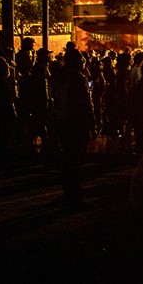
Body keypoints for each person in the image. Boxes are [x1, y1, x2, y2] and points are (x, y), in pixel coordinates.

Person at [51, 42, 94, 205]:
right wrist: (92, 123)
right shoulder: (78, 78)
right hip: (76, 122)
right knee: (76, 158)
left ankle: (68, 190)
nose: (84, 62)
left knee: (68, 157)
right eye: (81, 59)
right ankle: (74, 193)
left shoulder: (59, 76)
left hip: (62, 120)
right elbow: (85, 104)